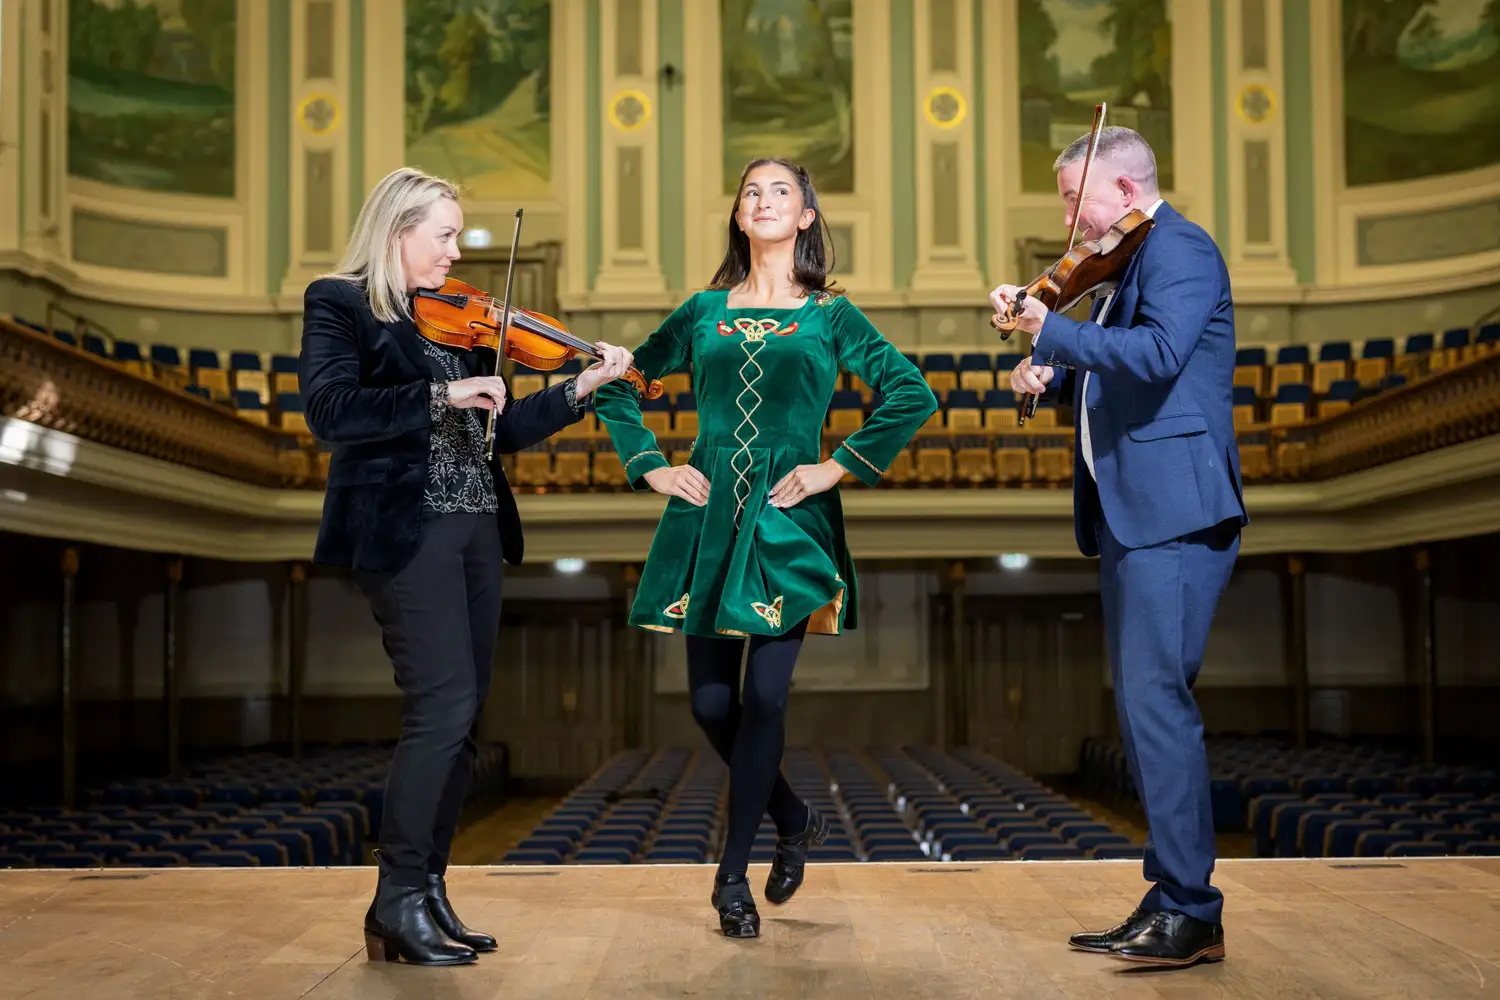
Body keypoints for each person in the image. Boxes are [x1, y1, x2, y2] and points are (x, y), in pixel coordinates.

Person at [593, 158, 937, 938]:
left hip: (788, 518)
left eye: (781, 190)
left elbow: (911, 392)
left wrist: (834, 467)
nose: (764, 199)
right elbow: (617, 383)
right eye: (751, 190)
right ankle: (793, 815)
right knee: (711, 706)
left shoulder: (831, 315)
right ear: (738, 214)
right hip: (709, 516)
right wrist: (651, 465)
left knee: (769, 699)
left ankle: (731, 879)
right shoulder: (702, 311)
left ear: (807, 216)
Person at [299, 167, 634, 967]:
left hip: (477, 527)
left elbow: (502, 430)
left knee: (464, 720)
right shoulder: (341, 302)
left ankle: (427, 890)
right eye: (444, 234)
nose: (456, 250)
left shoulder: (463, 322)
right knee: (441, 706)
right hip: (405, 528)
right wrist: (440, 398)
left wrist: (581, 387)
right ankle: (395, 899)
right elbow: (329, 411)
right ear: (397, 229)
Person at [989, 126, 1247, 969]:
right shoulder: (1122, 266)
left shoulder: (1179, 249)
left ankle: (1190, 909)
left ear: (1126, 191)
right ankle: (1173, 897)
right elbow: (1116, 369)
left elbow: (1161, 354)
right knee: (1144, 710)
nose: (1068, 217)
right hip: (1134, 514)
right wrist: (1049, 374)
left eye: (1075, 198)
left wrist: (1050, 332)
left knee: (1156, 705)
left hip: (1172, 510)